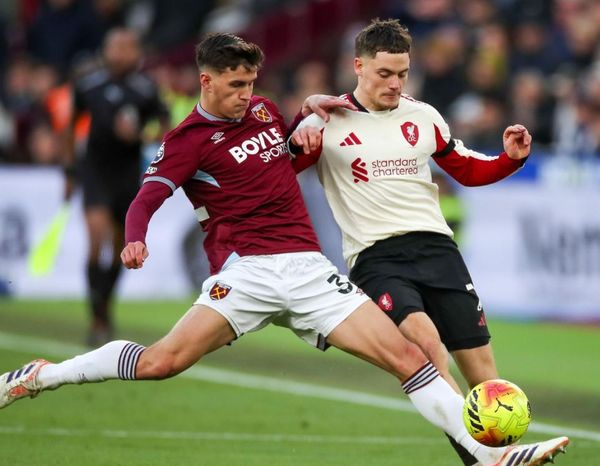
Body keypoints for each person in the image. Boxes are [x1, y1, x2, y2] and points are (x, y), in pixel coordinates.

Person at [1, 33, 568, 466]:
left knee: (410, 357)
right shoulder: (186, 141)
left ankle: (487, 455)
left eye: (251, 84)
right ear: (205, 82)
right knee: (161, 363)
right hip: (246, 273)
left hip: (309, 268)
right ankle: (45, 375)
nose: (246, 95)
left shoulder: (266, 111)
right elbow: (147, 197)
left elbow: (282, 162)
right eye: (235, 86)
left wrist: (304, 121)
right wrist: (134, 238)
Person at [289, 19, 548, 466]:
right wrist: (298, 128)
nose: (395, 83)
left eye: (403, 73)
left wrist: (509, 159)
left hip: (438, 250)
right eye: (384, 73)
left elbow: (466, 167)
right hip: (376, 257)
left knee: (485, 377)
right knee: (427, 347)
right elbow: (279, 170)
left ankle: (498, 457)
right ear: (358, 66)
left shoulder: (423, 116)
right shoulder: (325, 121)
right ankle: (483, 458)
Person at [63, 27, 169, 346]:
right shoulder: (88, 85)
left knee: (120, 247)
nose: (121, 53)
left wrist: (142, 136)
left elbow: (165, 127)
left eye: (128, 47)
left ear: (137, 52)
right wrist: (69, 171)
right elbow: (69, 126)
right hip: (95, 171)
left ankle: (105, 308)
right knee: (96, 239)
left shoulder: (145, 89)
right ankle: (97, 317)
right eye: (116, 47)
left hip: (126, 174)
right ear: (106, 50)